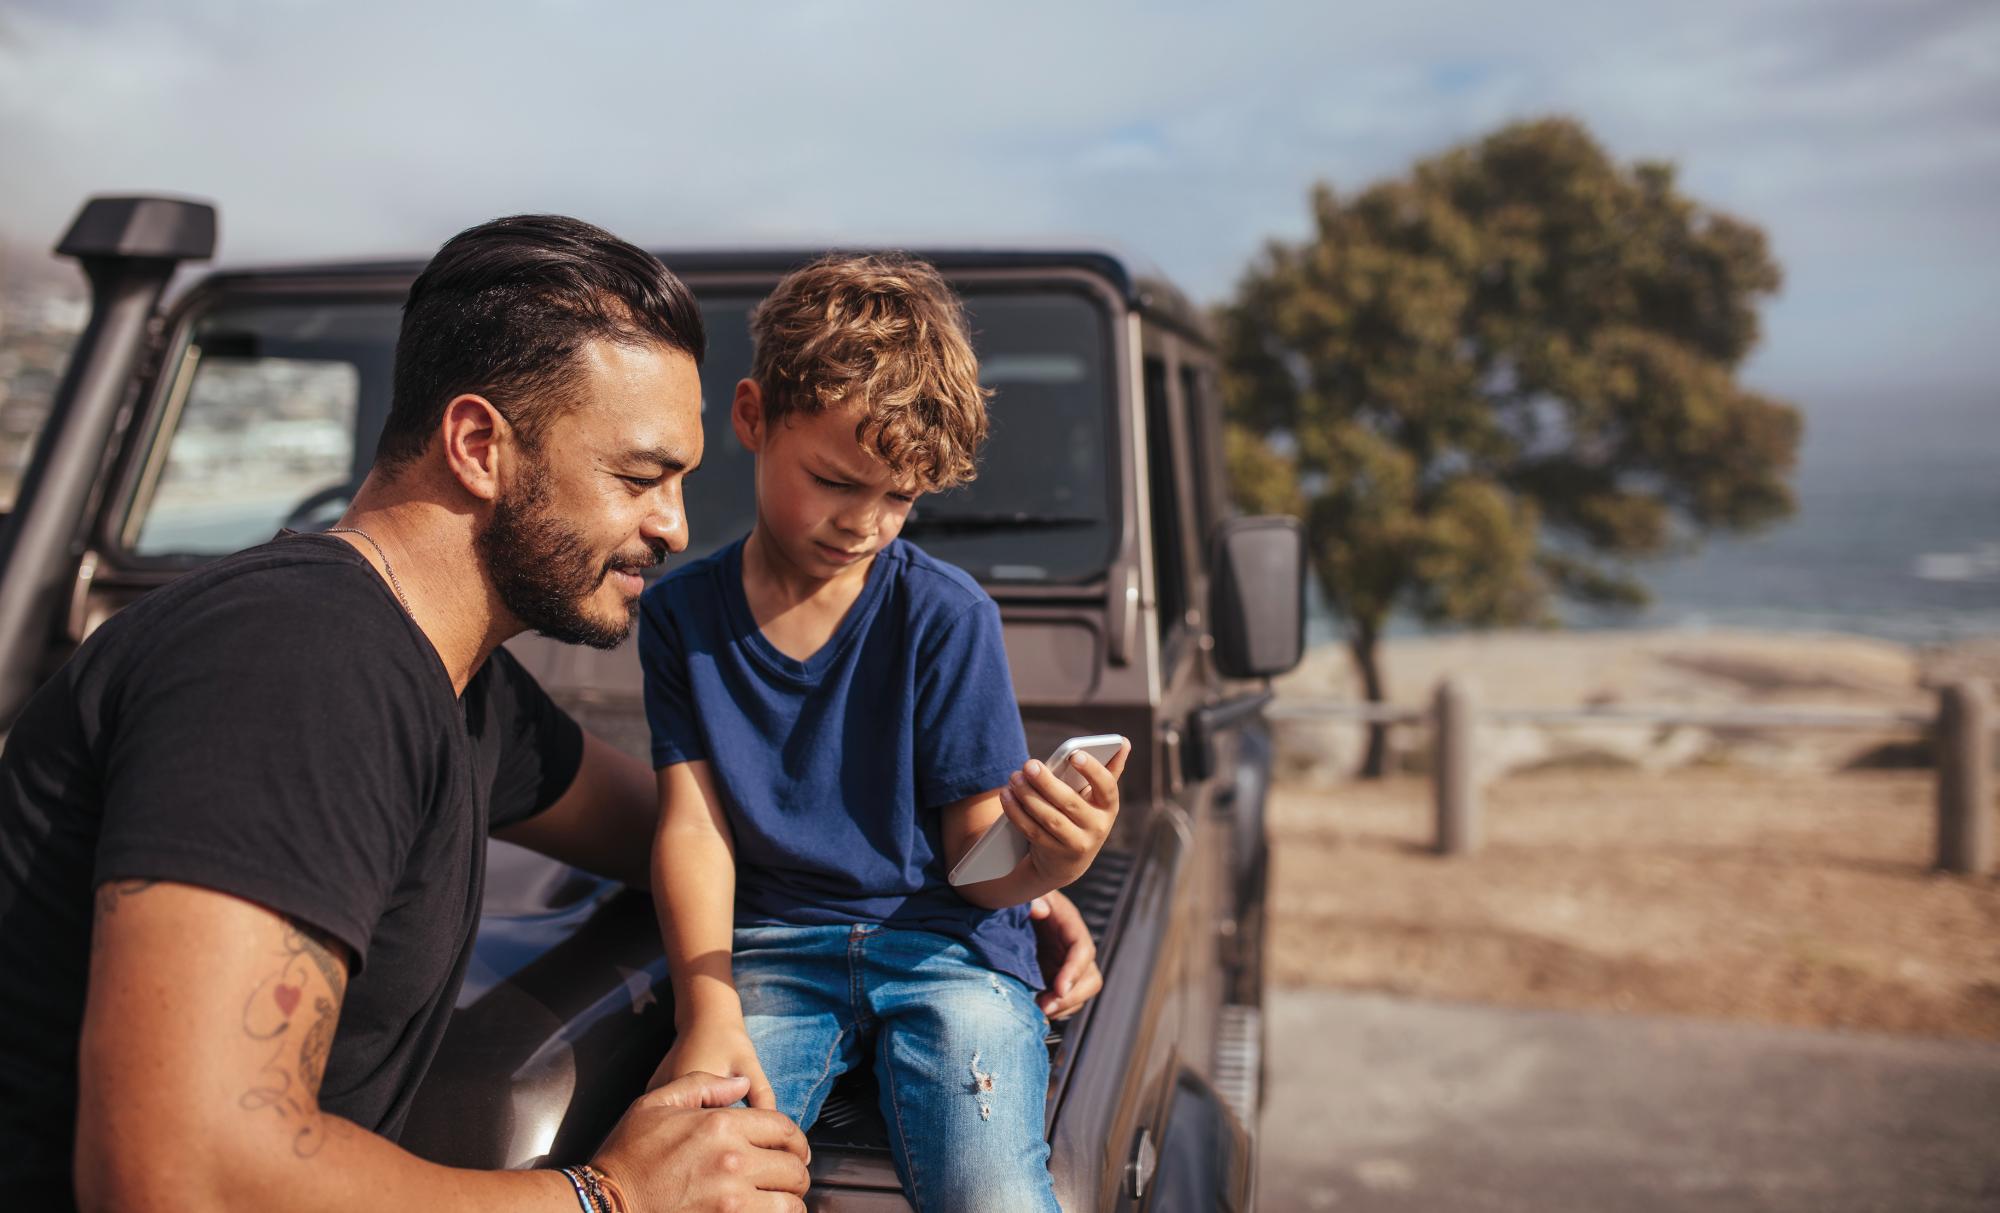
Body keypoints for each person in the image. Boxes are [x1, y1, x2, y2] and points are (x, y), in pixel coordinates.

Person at [0, 217, 1104, 1213]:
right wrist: (604, 1200)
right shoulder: (293, 667)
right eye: (637, 478)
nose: (674, 528)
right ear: (480, 447)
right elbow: (177, 1178)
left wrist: (991, 878)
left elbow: (674, 819)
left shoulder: (454, 685)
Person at [640, 253, 1129, 1213]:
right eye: (834, 480)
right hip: (772, 951)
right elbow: (694, 828)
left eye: (900, 498)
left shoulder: (946, 615)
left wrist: (1049, 867)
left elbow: (975, 864)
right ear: (751, 418)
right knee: (697, 1173)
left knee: (989, 1192)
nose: (865, 524)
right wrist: (708, 1006)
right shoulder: (679, 617)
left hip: (950, 952)